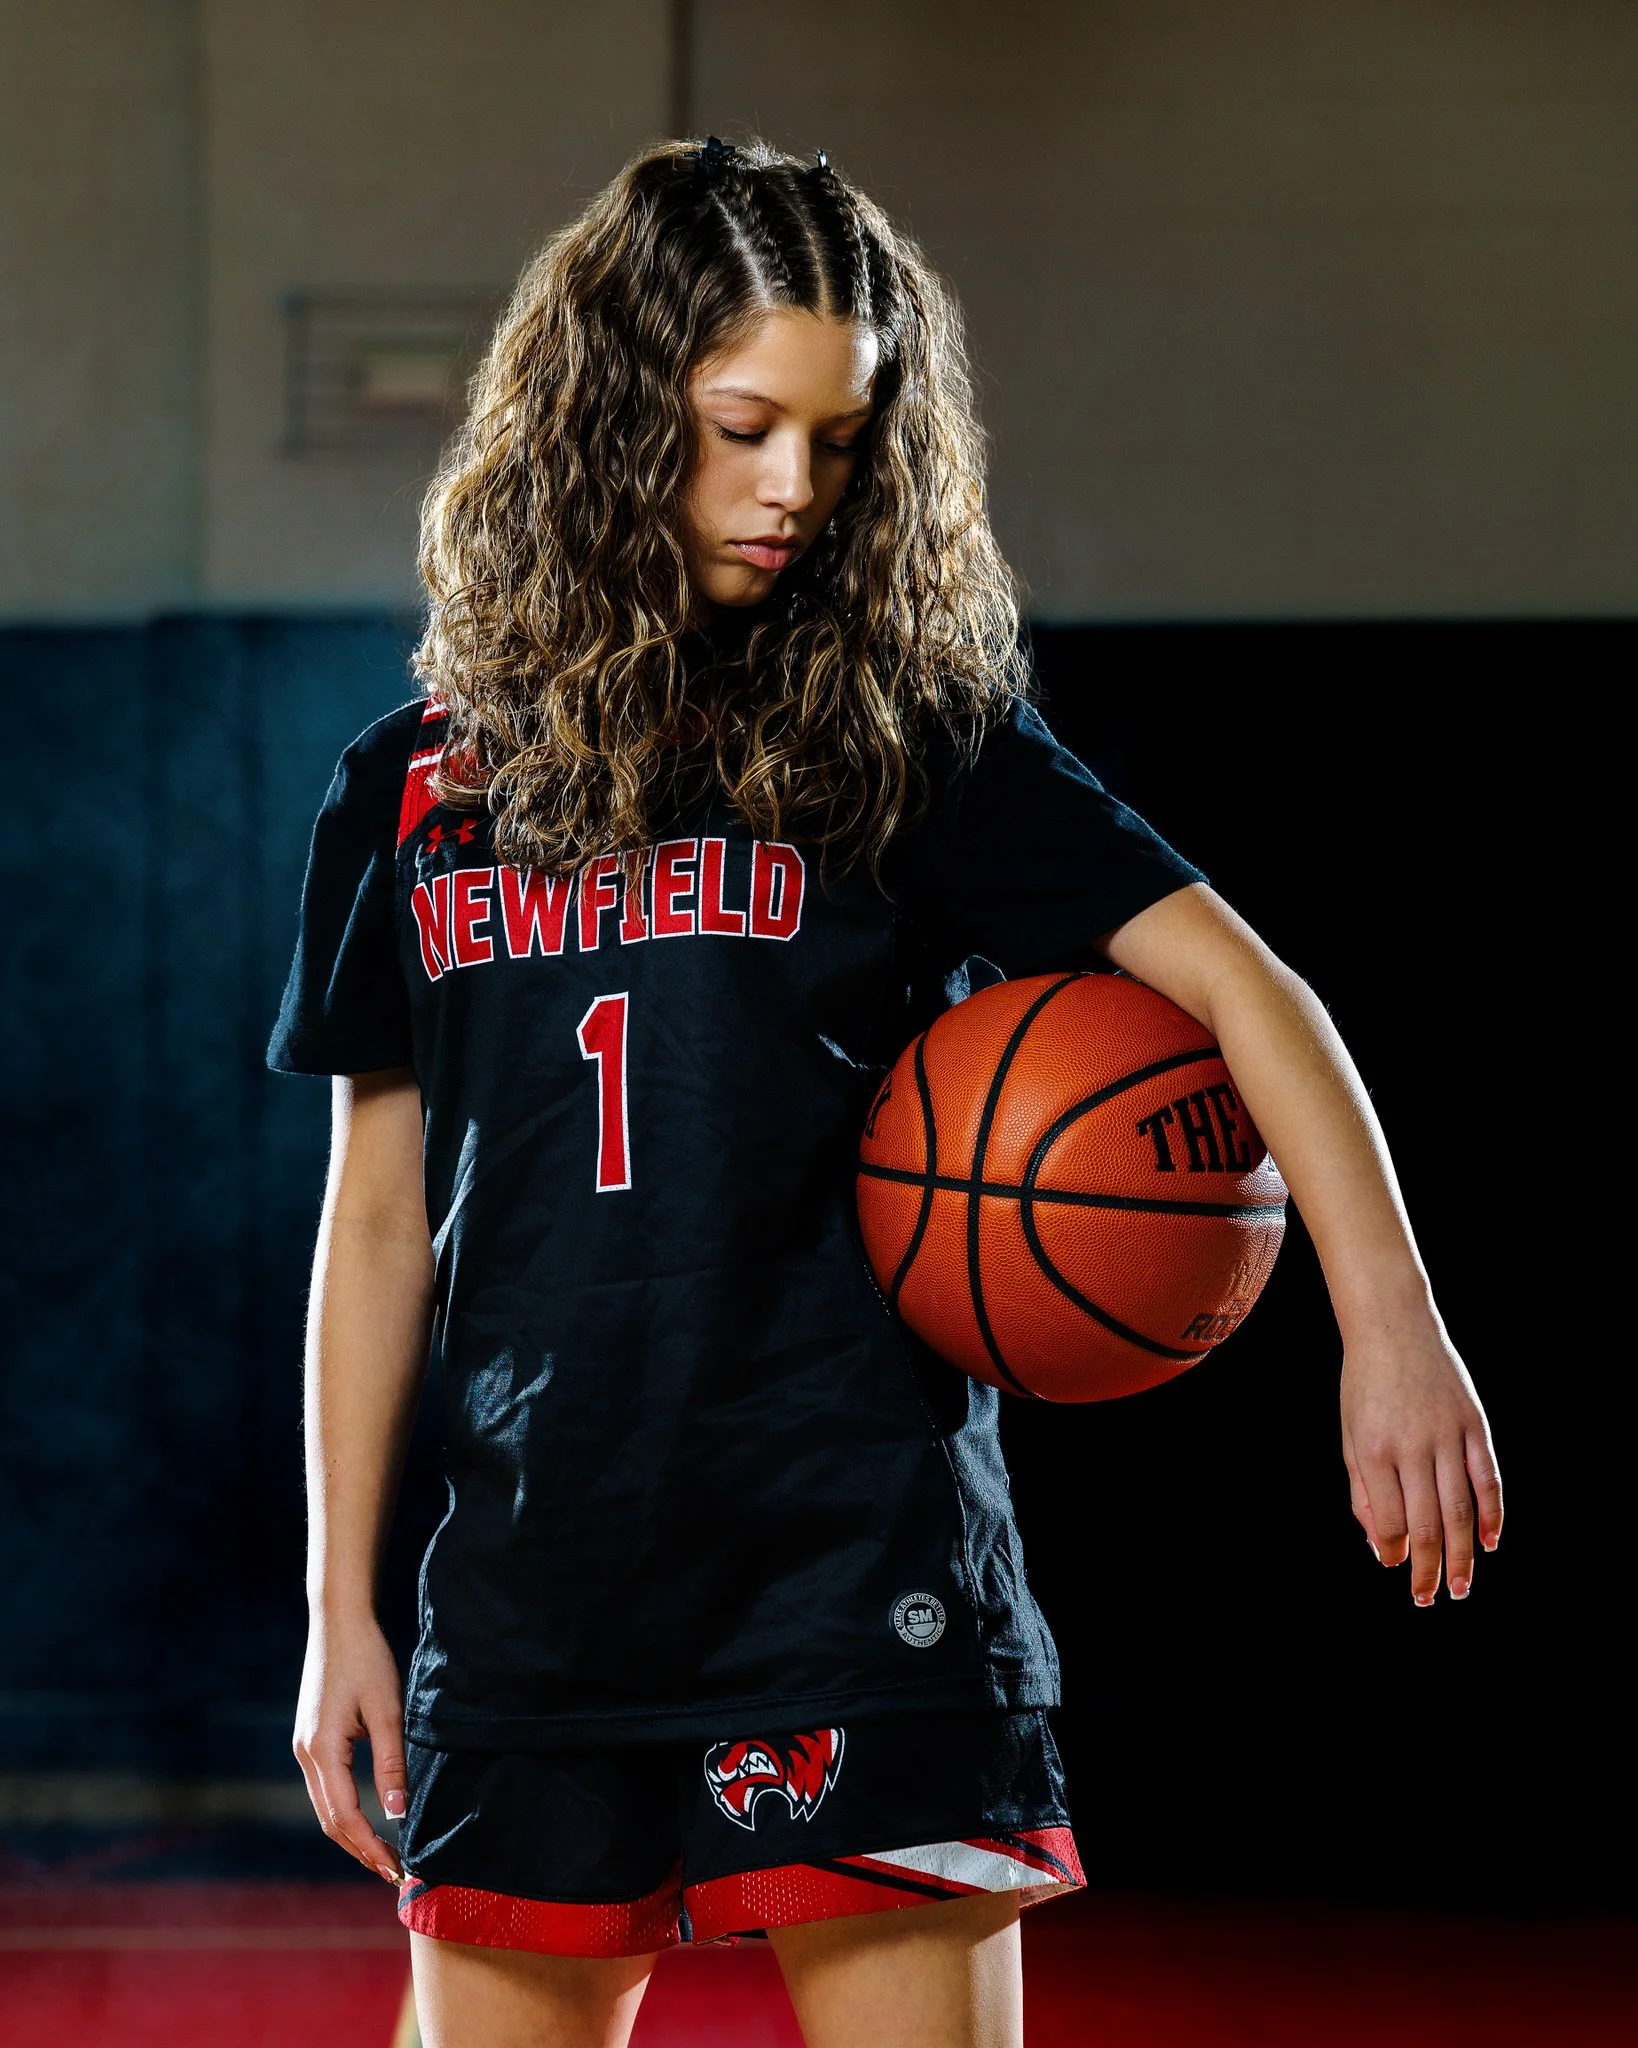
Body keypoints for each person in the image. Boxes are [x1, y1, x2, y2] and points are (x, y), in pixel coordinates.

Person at [270, 138, 1502, 2048]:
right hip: (533, 1586)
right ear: (608, 413)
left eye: (842, 441)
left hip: (850, 1571)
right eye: (744, 423)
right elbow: (374, 1223)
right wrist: (342, 1603)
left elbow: (1251, 993)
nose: (794, 489)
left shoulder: (897, 740)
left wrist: (1391, 1324)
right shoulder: (412, 788)